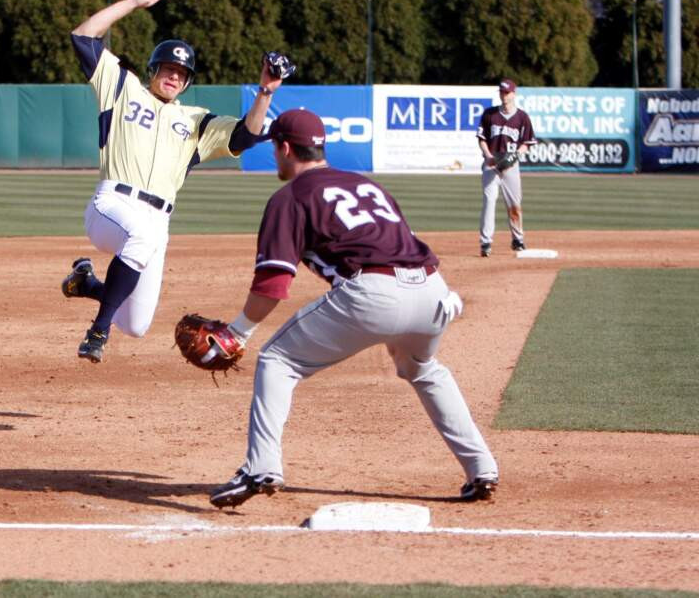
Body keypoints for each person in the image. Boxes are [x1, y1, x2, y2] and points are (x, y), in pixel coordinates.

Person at [206, 108, 499, 509]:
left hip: (374, 294)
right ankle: (481, 468)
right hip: (433, 291)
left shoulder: (289, 197)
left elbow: (273, 284)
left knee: (276, 360)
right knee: (424, 369)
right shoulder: (367, 185)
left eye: (276, 146)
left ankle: (262, 467)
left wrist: (237, 331)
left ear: (286, 147)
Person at [62, 0, 284, 363]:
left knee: (136, 324)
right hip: (111, 206)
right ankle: (98, 331)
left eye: (182, 73)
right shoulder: (122, 87)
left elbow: (246, 135)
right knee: (140, 237)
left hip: (156, 222)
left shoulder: (195, 121)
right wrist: (133, 3)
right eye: (168, 68)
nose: (175, 76)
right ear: (154, 69)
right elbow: (83, 36)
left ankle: (88, 284)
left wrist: (266, 90)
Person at [476, 78, 536, 257]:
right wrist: (487, 156)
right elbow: (482, 138)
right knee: (489, 201)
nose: (504, 95)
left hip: (511, 166)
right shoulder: (489, 114)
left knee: (514, 204)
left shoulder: (522, 117)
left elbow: (527, 142)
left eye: (507, 92)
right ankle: (485, 243)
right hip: (492, 165)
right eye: (502, 92)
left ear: (514, 94)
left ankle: (517, 239)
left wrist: (516, 155)